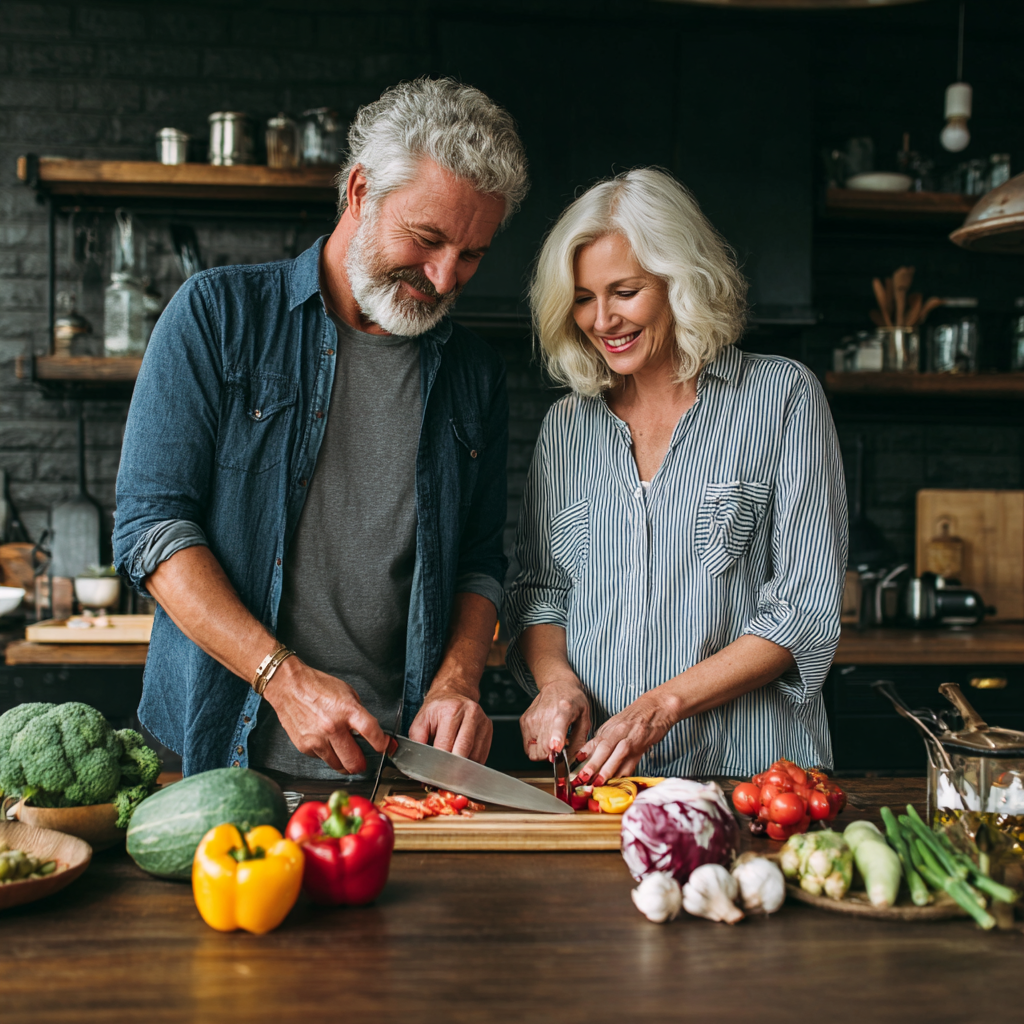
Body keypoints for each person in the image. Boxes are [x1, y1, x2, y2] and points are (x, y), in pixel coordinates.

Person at [113, 78, 529, 778]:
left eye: (473, 254)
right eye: (427, 239)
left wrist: (458, 678)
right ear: (361, 192)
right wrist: (281, 677)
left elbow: (479, 562)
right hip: (215, 756)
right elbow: (152, 529)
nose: (446, 276)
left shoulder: (474, 374)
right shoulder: (218, 317)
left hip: (395, 772)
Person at [505, 168, 847, 784]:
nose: (602, 319)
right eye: (583, 298)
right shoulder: (566, 427)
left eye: (625, 291)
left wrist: (657, 709)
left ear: (680, 282)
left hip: (753, 776)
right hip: (603, 779)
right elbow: (540, 593)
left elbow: (801, 609)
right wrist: (556, 685)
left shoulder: (782, 397)